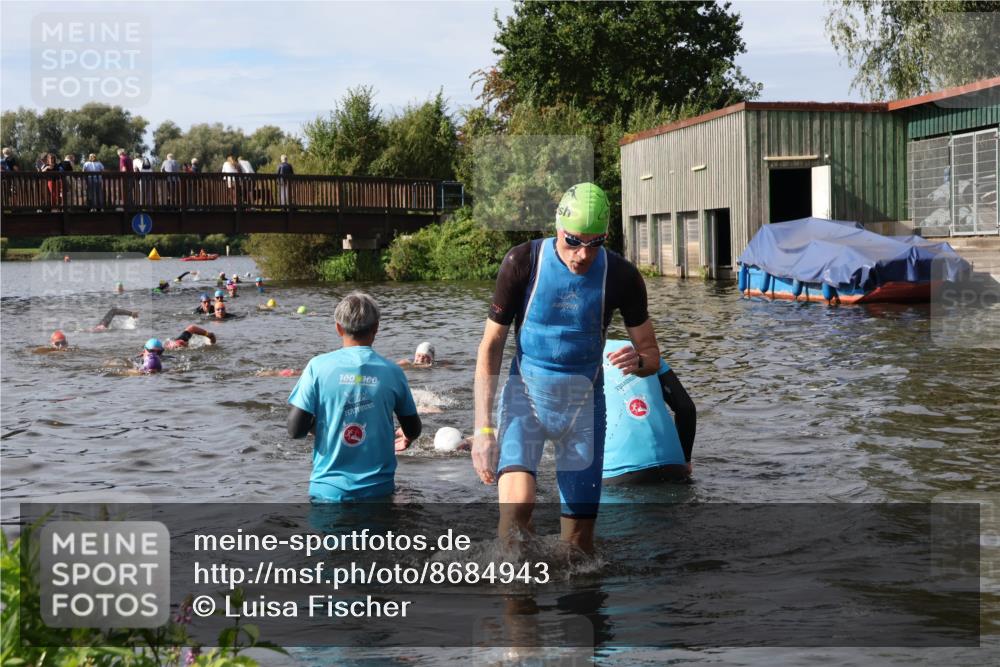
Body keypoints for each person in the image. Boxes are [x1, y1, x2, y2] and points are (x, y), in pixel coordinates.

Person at [471, 183, 661, 554]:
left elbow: (651, 354)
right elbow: (490, 346)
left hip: (583, 409)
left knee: (578, 546)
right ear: (558, 227)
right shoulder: (522, 262)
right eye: (574, 240)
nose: (583, 254)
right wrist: (483, 429)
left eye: (595, 242)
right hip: (525, 397)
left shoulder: (621, 275)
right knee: (517, 510)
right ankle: (517, 605)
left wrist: (639, 363)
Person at [287, 291, 421, 502]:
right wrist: (407, 437)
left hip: (327, 491)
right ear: (376, 327)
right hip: (377, 490)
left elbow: (295, 430)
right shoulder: (393, 371)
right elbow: (413, 428)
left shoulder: (317, 367)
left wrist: (323, 427)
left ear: (338, 328)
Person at [601, 340, 697, 485]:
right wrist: (685, 460)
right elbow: (686, 408)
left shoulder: (570, 361)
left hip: (618, 472)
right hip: (673, 464)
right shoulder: (640, 350)